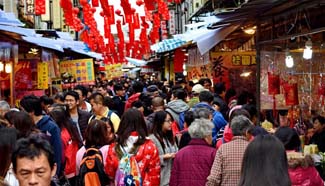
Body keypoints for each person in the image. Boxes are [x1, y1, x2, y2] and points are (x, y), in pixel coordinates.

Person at [105, 109, 161, 185]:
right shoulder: (150, 146)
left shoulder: (114, 147)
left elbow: (110, 173)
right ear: (142, 123)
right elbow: (154, 175)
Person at [19, 95, 62, 176]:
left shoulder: (51, 127)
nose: (20, 113)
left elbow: (57, 152)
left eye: (22, 110)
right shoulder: (24, 125)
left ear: (31, 112)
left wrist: (54, 175)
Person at [206, 115, 253, 186]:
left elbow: (214, 178)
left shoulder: (223, 148)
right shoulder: (252, 148)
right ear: (246, 132)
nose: (251, 135)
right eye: (251, 132)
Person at [170, 118, 215, 186]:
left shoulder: (180, 153)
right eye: (211, 134)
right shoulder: (213, 153)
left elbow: (174, 179)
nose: (212, 138)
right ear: (206, 136)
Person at [49, 106, 82, 185]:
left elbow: (62, 157)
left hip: (67, 171)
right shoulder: (70, 129)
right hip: (75, 168)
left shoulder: (61, 136)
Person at [149, 111, 178, 186]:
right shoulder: (152, 139)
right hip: (161, 179)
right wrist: (164, 157)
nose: (170, 123)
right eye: (168, 121)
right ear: (160, 122)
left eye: (171, 120)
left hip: (173, 178)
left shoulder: (170, 137)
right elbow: (149, 160)